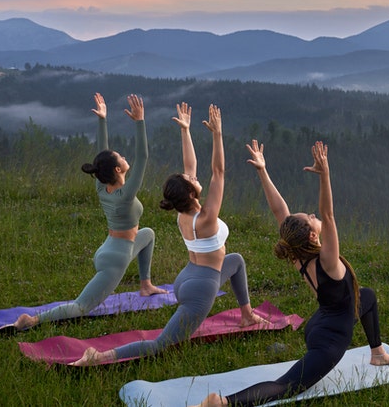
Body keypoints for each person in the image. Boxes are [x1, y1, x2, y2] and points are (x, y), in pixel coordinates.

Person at [194, 139, 389, 407]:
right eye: (311, 217)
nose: (314, 215)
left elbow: (279, 211)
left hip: (317, 325)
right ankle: (223, 403)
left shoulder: (298, 253)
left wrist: (262, 170)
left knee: (367, 296)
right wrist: (324, 175)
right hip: (330, 340)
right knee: (287, 386)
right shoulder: (327, 261)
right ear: (314, 234)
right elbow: (328, 215)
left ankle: (378, 353)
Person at [72, 103, 268, 365]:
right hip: (201, 288)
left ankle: (247, 315)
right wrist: (217, 134)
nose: (194, 178)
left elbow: (191, 165)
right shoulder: (207, 218)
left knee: (236, 261)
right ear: (190, 193)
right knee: (160, 344)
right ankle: (100, 357)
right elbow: (218, 172)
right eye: (191, 181)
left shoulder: (184, 212)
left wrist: (185, 131)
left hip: (187, 277)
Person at [16, 93, 165, 330]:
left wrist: (103, 120)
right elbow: (143, 156)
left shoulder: (101, 184)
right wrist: (140, 122)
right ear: (118, 169)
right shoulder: (125, 196)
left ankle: (145, 284)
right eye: (121, 157)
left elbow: (102, 156)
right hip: (116, 259)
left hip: (108, 248)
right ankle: (33, 320)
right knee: (82, 307)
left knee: (148, 234)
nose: (126, 157)